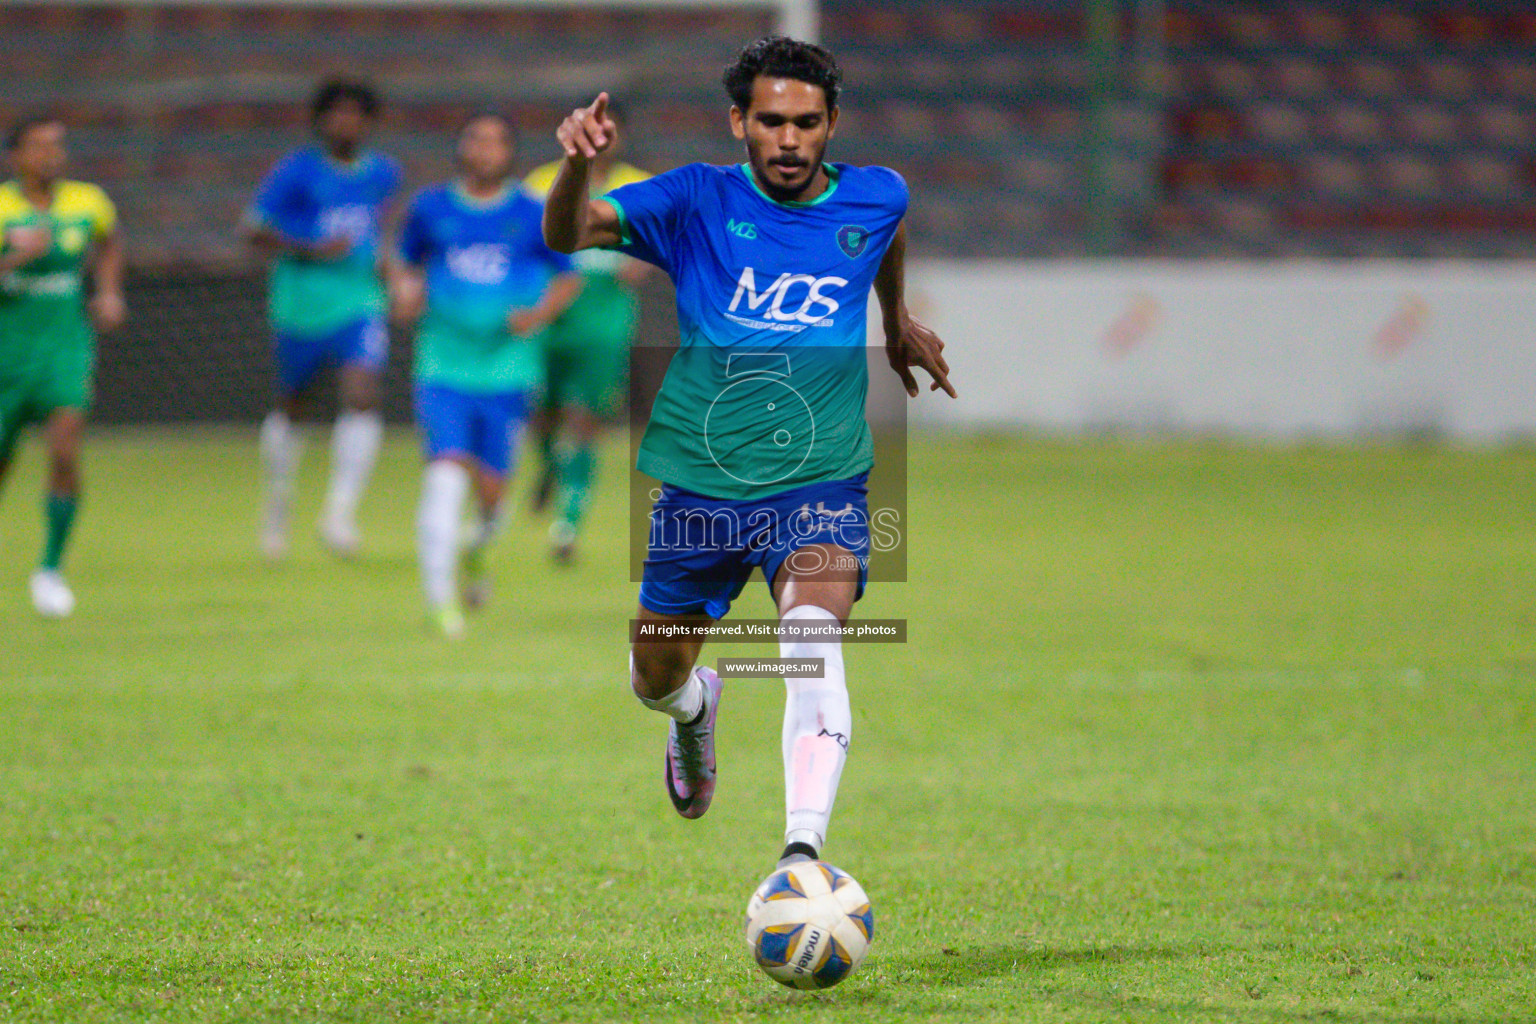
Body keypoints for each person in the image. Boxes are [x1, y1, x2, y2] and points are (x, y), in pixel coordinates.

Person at [543, 37, 955, 868]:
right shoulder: (695, 200)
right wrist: (577, 168)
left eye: (808, 122)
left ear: (832, 122)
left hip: (822, 475)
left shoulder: (876, 196)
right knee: (653, 677)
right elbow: (568, 233)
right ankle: (695, 711)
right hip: (701, 480)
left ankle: (802, 854)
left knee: (812, 640)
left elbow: (887, 233)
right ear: (740, 122)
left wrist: (895, 318)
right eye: (772, 121)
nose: (791, 139)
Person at [391, 113, 582, 637]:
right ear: (460, 147)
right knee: (446, 472)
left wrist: (538, 315)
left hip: (508, 370)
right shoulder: (430, 208)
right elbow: (405, 264)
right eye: (475, 138)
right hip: (443, 365)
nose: (484, 149)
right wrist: (405, 292)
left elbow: (569, 277)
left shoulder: (532, 212)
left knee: (493, 492)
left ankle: (477, 550)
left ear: (510, 152)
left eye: (496, 141)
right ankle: (440, 603)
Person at [241, 77, 401, 559]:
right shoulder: (296, 172)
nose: (345, 122)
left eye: (355, 113)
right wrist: (309, 249)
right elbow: (253, 230)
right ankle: (278, 504)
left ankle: (339, 514)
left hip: (359, 302)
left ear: (370, 122)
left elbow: (384, 224)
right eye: (336, 113)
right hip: (301, 305)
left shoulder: (383, 173)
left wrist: (389, 263)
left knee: (362, 394)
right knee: (294, 405)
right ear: (320, 120)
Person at [0, 116, 126, 618]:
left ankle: (50, 568)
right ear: (16, 156)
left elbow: (111, 241)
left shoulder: (87, 202)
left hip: (64, 347)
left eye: (57, 146)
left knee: (66, 445)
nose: (51, 155)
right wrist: (12, 258)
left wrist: (109, 291)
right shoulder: (4, 208)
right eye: (38, 147)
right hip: (7, 352)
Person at [523, 102, 651, 564]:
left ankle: (567, 525)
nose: (600, 139)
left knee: (586, 421)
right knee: (543, 414)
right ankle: (549, 467)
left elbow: (654, 241)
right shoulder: (541, 183)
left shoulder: (638, 185)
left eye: (609, 131)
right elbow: (522, 244)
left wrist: (641, 260)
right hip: (551, 315)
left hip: (606, 320)